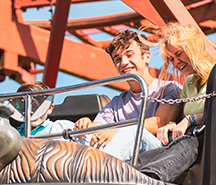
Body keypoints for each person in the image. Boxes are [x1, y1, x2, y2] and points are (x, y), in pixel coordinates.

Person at [73, 29, 182, 161]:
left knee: (130, 132)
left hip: (157, 154)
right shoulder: (117, 103)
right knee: (66, 127)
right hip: (125, 154)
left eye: (129, 55)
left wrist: (117, 131)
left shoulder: (169, 88)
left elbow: (160, 122)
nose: (124, 62)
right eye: (118, 59)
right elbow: (99, 127)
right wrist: (86, 125)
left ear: (146, 57)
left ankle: (95, 172)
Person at [136, 22, 216, 182]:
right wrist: (173, 125)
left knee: (187, 144)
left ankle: (150, 184)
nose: (176, 63)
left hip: (211, 140)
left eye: (179, 54)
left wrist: (191, 119)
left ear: (193, 48)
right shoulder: (189, 83)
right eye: (171, 59)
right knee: (145, 158)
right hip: (188, 138)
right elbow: (183, 122)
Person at [12, 81, 85, 143]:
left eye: (37, 107)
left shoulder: (62, 128)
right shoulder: (13, 133)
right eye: (25, 107)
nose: (32, 112)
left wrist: (91, 124)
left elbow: (91, 142)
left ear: (49, 108)